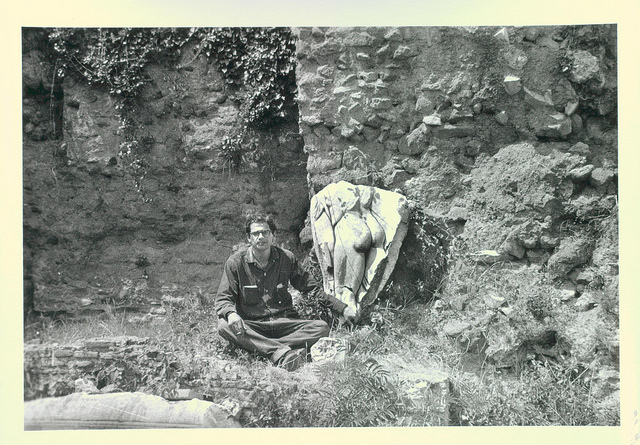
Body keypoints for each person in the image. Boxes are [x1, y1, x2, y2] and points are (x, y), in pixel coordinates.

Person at [215, 212, 357, 371]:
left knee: (321, 328)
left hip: (285, 323)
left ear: (273, 235)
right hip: (254, 325)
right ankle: (281, 352)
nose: (260, 237)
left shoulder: (286, 258)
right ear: (249, 238)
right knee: (223, 325)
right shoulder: (235, 263)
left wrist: (342, 308)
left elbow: (311, 288)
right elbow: (223, 298)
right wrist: (231, 314)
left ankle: (263, 348)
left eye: (265, 232)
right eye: (255, 233)